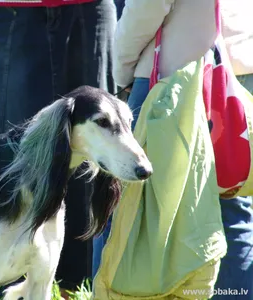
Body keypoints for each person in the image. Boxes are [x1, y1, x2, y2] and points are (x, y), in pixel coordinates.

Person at [93, 0, 253, 298]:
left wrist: (122, 68)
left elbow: (148, 7)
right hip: (239, 71)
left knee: (127, 206)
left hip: (173, 79)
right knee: (231, 209)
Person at [0, 0, 117, 297]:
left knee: (96, 155)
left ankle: (77, 290)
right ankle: (1, 291)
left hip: (89, 10)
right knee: (5, 162)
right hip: (13, 9)